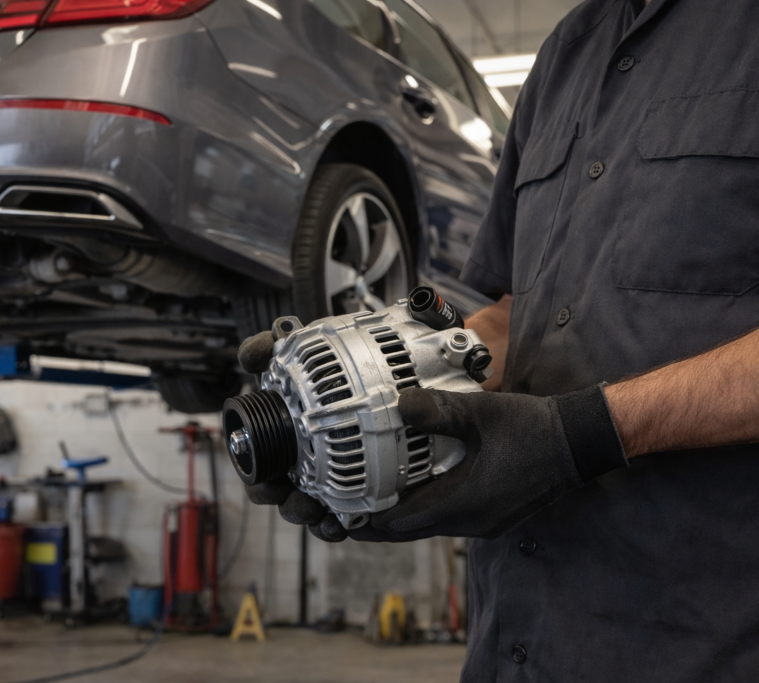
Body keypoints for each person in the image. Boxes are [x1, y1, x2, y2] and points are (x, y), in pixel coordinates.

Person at [238, 0, 759, 679]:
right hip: (514, 640)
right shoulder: (565, 54)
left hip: (698, 640)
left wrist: (583, 434)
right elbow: (517, 316)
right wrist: (375, 375)